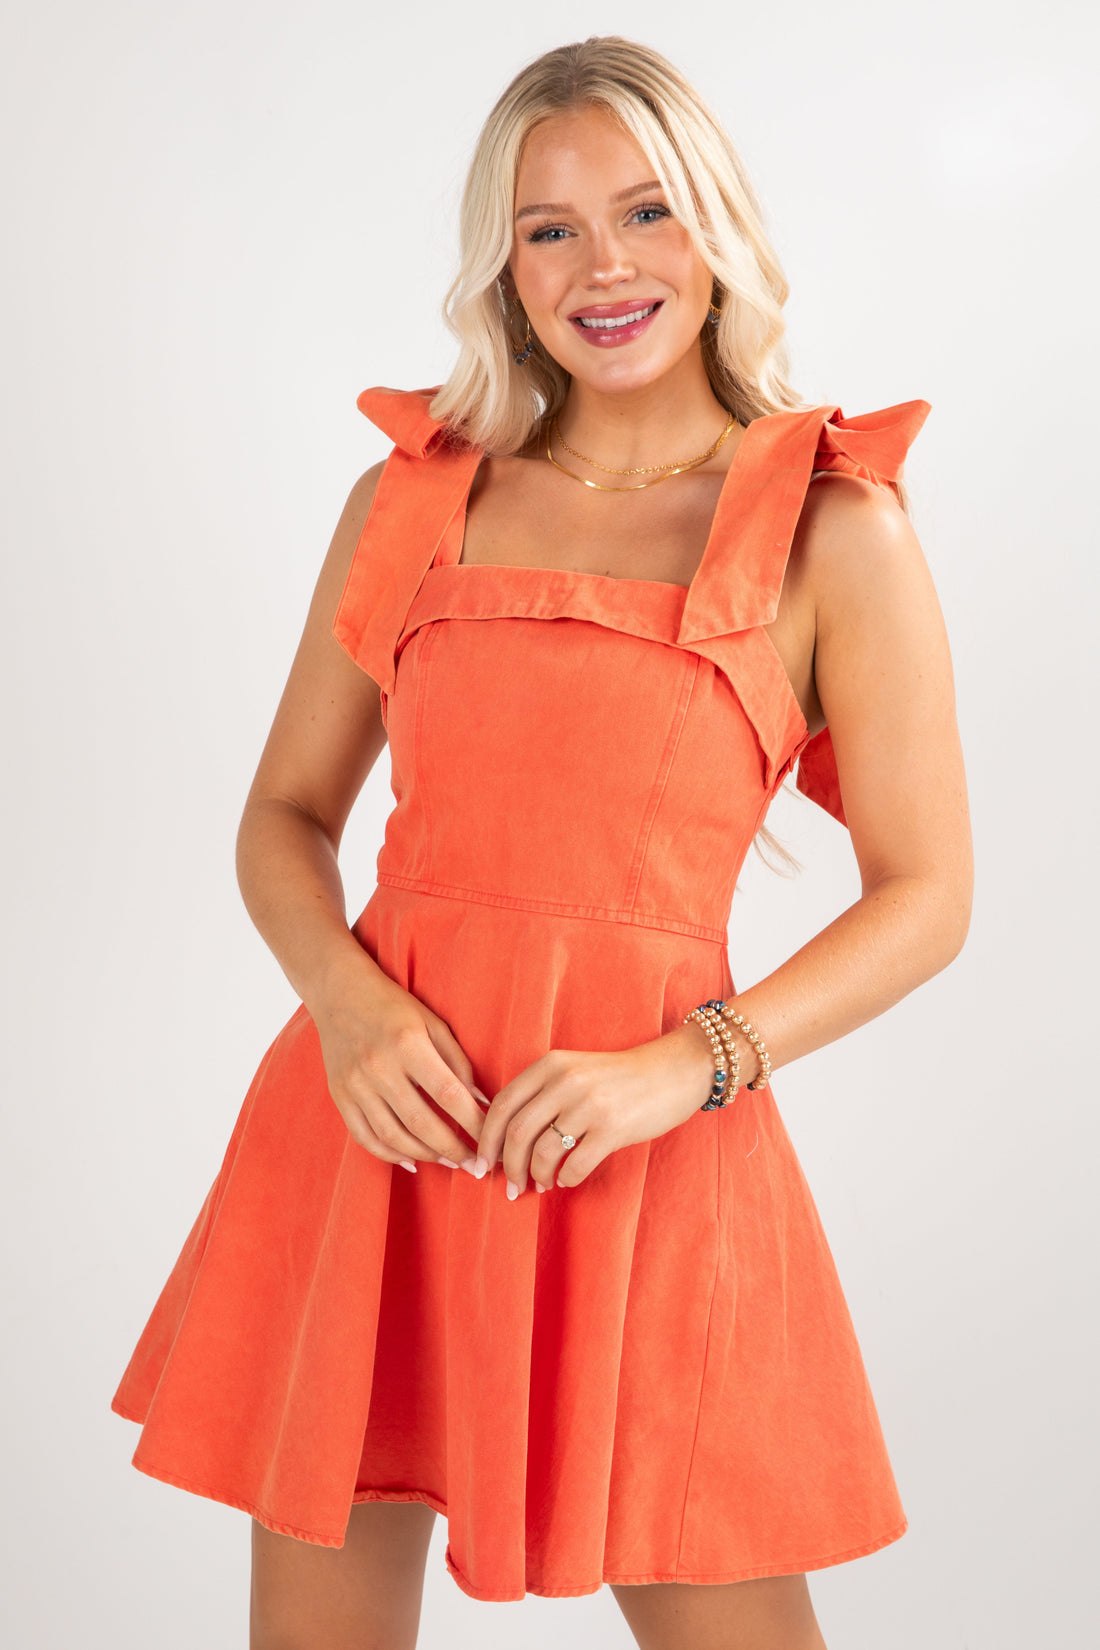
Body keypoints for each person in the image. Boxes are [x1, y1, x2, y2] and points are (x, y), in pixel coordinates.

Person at [111, 34, 973, 1650]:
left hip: (649, 1149)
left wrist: (687, 1063)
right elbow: (283, 815)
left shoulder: (831, 525)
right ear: (504, 267)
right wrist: (353, 1012)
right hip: (383, 1133)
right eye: (550, 226)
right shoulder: (417, 498)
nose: (604, 266)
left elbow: (930, 896)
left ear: (717, 224)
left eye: (646, 211)